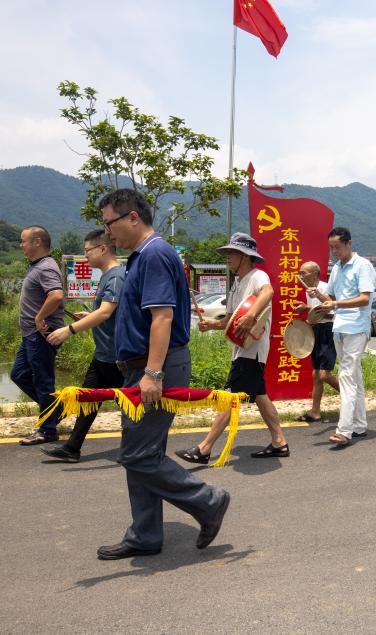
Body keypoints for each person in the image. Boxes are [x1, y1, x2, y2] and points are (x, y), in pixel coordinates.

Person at [96, 188, 229, 560]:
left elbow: (162, 317)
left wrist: (153, 373)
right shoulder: (143, 256)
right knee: (144, 453)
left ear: (133, 217)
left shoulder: (154, 253)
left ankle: (208, 500)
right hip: (143, 367)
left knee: (137, 456)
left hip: (156, 367)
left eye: (110, 223)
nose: (108, 233)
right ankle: (145, 534)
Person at [175, 232, 289, 461]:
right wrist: (211, 324)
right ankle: (279, 442)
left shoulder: (258, 276)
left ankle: (204, 448)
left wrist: (252, 315)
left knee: (230, 397)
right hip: (243, 350)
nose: (228, 257)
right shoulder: (237, 283)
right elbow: (230, 320)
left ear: (245, 256)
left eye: (232, 253)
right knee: (260, 395)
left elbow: (268, 292)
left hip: (252, 351)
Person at [41, 229, 126, 463]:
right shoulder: (108, 276)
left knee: (130, 406)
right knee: (88, 400)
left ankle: (140, 449)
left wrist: (69, 330)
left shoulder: (116, 277)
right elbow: (107, 313)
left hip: (117, 358)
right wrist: (89, 316)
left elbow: (106, 312)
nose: (85, 255)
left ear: (103, 249)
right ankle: (72, 448)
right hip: (103, 355)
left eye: (87, 250)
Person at [311, 226, 376, 446]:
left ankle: (344, 430)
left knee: (347, 376)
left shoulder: (363, 265)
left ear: (349, 243)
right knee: (354, 376)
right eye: (331, 248)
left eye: (337, 247)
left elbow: (364, 299)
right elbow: (330, 298)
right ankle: (359, 425)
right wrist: (319, 295)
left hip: (357, 327)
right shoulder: (337, 268)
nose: (334, 252)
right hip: (339, 327)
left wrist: (335, 303)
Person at [13, 225, 66, 446]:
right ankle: (57, 410)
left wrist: (39, 317)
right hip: (31, 335)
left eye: (23, 241)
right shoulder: (38, 266)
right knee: (19, 374)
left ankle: (48, 430)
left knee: (43, 381)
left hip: (41, 334)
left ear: (37, 242)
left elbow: (56, 295)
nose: (21, 245)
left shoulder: (46, 267)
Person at [294, 261, 339, 423]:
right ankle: (315, 412)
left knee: (324, 375)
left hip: (328, 331)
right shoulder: (309, 291)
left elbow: (332, 313)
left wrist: (310, 306)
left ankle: (353, 400)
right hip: (316, 331)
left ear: (315, 274)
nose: (300, 276)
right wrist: (305, 313)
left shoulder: (325, 288)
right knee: (316, 375)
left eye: (303, 273)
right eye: (300, 273)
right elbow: (315, 314)